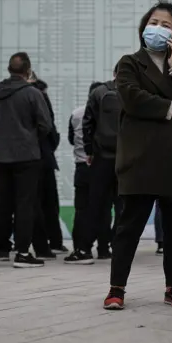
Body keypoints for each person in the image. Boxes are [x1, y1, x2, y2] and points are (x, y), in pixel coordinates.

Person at [104, 0, 172, 311]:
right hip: (142, 157)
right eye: (154, 22)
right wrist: (170, 107)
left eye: (166, 25)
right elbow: (132, 98)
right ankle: (116, 288)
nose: (158, 29)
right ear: (143, 28)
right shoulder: (130, 63)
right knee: (129, 225)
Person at [0, 52, 52, 268]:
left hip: (0, 156)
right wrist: (28, 137)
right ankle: (22, 253)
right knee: (25, 204)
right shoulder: (33, 93)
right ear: (28, 70)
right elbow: (45, 125)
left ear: (9, 69)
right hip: (26, 156)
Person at [66, 63, 123, 264]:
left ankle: (84, 249)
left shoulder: (99, 92)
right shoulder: (136, 93)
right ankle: (120, 247)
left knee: (96, 204)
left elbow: (88, 123)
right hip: (126, 159)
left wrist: (89, 151)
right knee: (123, 205)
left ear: (114, 72)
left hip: (102, 158)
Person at [28, 73, 64, 258]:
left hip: (34, 158)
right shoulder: (40, 99)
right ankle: (50, 243)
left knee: (42, 203)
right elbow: (50, 128)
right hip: (43, 158)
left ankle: (50, 243)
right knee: (47, 203)